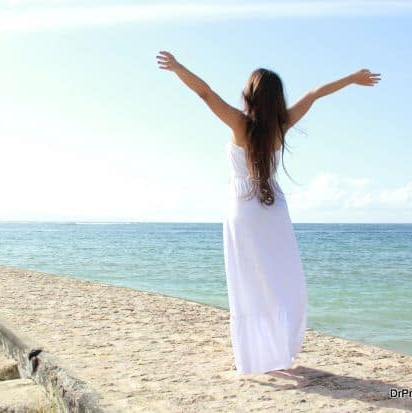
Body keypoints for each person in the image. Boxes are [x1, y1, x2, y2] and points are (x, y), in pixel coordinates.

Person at [156, 50, 381, 374]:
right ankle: (280, 349)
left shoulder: (239, 124)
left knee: (249, 284)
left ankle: (256, 354)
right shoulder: (282, 125)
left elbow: (204, 93)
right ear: (277, 99)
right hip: (274, 208)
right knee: (282, 280)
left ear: (250, 93)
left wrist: (179, 68)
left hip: (244, 207)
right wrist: (352, 79)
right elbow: (315, 94)